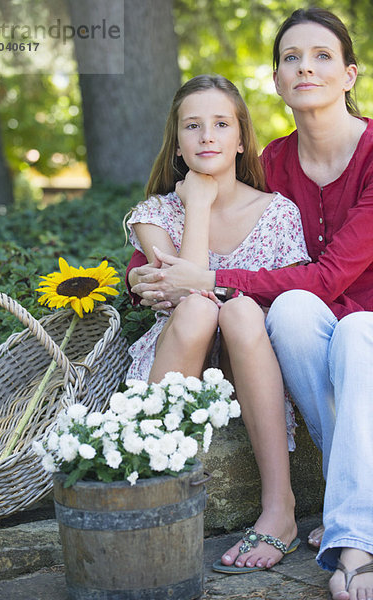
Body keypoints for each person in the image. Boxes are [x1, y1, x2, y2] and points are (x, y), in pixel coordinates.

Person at [126, 8, 373, 600]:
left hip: (362, 322)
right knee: (285, 309)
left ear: (350, 74)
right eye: (291, 57)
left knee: (356, 330)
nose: (305, 68)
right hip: (303, 323)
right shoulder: (277, 167)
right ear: (277, 80)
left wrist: (202, 276)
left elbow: (331, 272)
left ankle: (354, 536)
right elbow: (177, 242)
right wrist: (146, 273)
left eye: (321, 56)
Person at [125, 73, 309, 572]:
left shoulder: (278, 213)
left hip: (247, 357)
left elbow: (279, 301)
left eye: (221, 123)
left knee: (243, 309)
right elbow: (185, 295)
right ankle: (149, 496)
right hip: (181, 349)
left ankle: (280, 509)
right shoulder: (155, 213)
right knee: (203, 307)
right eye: (193, 126)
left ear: (242, 138)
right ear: (178, 144)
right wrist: (199, 204)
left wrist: (220, 290)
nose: (207, 136)